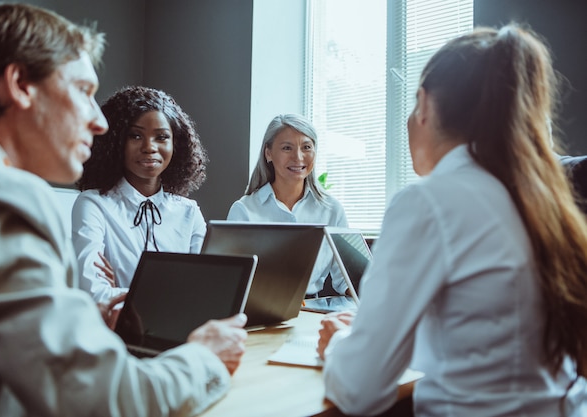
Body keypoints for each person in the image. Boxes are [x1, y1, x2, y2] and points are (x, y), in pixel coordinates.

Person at [0, 4, 246, 416]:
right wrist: (205, 357)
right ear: (20, 84)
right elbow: (107, 399)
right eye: (83, 91)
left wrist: (78, 316)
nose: (99, 122)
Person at [317, 24, 587, 417]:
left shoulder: (429, 201)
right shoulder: (546, 201)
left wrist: (342, 340)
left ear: (424, 106)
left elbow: (359, 390)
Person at [72, 85, 208, 303]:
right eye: (135, 136)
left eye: (162, 137)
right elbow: (94, 293)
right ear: (116, 142)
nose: (149, 147)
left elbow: (203, 291)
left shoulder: (189, 213)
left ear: (176, 145)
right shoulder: (93, 204)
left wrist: (124, 291)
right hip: (117, 334)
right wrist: (171, 297)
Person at [227, 114, 349, 297]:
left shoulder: (332, 210)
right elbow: (233, 280)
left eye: (306, 147)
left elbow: (345, 279)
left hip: (312, 311)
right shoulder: (244, 210)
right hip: (258, 311)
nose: (298, 157)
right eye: (287, 148)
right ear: (268, 153)